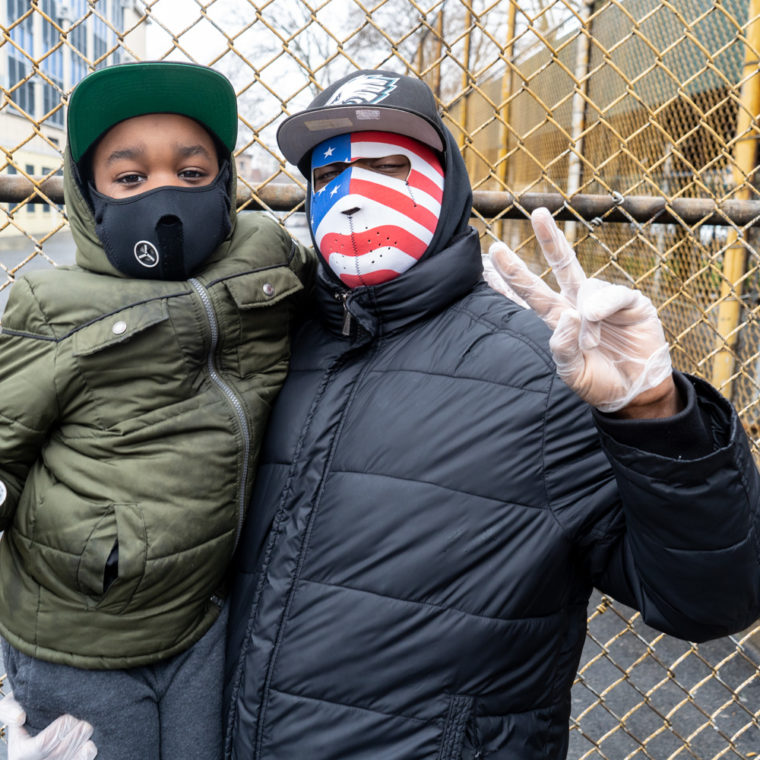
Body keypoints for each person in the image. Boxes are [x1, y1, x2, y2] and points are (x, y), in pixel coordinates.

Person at [5, 67, 760, 760]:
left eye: (390, 163)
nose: (355, 190)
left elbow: (709, 600)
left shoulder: (543, 373)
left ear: (448, 179)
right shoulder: (277, 337)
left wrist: (658, 416)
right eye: (327, 171)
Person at [0, 61, 313, 759]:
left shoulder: (266, 256)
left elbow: (346, 307)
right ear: (91, 195)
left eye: (193, 172)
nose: (166, 194)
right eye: (131, 177)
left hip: (201, 616)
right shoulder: (53, 306)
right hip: (78, 635)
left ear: (225, 181)